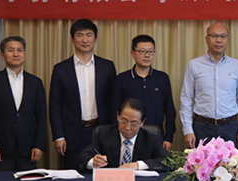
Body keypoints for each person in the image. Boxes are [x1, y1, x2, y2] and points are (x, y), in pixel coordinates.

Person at [49, 19, 117, 169]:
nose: (85, 40)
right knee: (73, 175)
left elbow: (113, 102)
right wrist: (59, 136)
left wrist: (114, 132)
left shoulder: (107, 67)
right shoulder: (61, 69)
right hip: (72, 134)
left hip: (101, 131)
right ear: (72, 39)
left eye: (89, 35)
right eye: (80, 35)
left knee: (102, 175)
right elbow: (54, 106)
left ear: (95, 38)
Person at [0, 36, 47, 171]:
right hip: (0, 147)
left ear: (25, 55)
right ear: (2, 55)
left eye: (19, 50)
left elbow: (42, 117)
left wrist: (39, 145)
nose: (16, 54)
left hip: (28, 148)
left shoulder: (35, 83)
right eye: (11, 50)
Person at [180, 22, 238, 149]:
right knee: (201, 162)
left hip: (230, 128)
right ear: (206, 39)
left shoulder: (237, 65)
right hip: (202, 128)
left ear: (228, 40)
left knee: (231, 162)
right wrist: (188, 130)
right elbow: (186, 99)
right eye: (214, 36)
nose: (219, 40)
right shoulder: (194, 65)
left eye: (223, 36)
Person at [112, 34, 176, 151]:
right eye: (142, 51)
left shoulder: (162, 78)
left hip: (156, 135)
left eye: (151, 52)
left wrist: (169, 137)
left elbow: (170, 110)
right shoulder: (122, 79)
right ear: (133, 54)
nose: (147, 55)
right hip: (129, 135)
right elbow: (115, 111)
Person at [76, 98, 169, 171]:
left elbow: (169, 162)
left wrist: (137, 165)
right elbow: (81, 158)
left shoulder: (152, 139)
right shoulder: (104, 134)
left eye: (134, 124)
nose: (127, 128)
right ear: (118, 116)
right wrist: (93, 162)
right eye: (124, 122)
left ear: (142, 123)